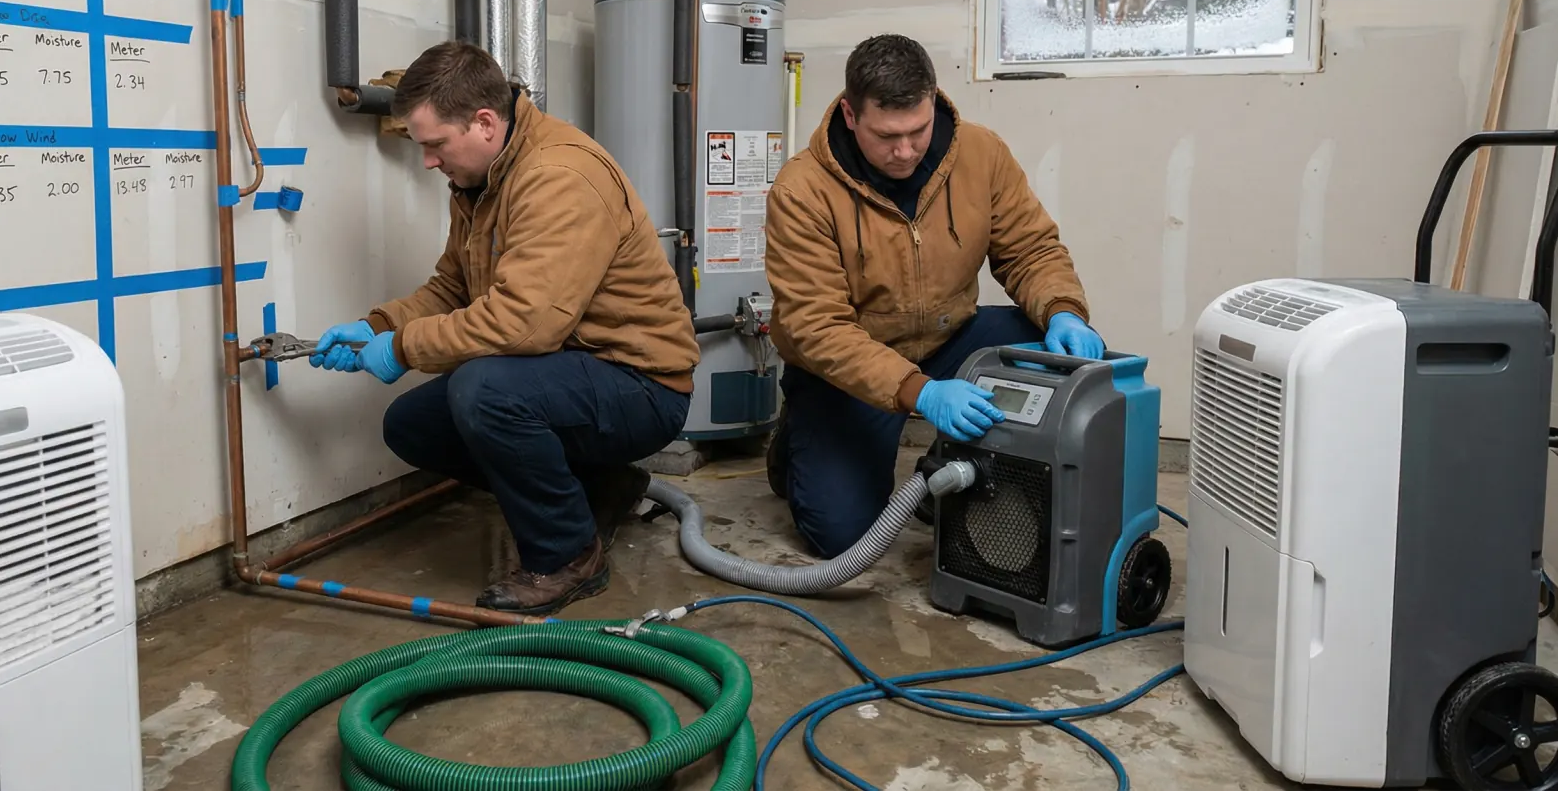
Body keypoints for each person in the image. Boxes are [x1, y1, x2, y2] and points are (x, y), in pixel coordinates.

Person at [310, 40, 700, 615]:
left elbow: (525, 325)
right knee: (412, 425)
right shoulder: (480, 181)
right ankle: (600, 491)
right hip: (571, 370)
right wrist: (378, 326)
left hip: (641, 384)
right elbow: (452, 288)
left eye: (436, 144)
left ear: (485, 122)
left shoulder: (559, 178)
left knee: (484, 391)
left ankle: (568, 557)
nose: (429, 162)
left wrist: (404, 347)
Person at [763, 34, 1103, 558]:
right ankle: (798, 439)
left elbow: (1030, 249)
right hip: (851, 365)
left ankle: (964, 466)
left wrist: (1064, 311)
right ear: (851, 116)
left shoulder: (982, 153)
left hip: (951, 337)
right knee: (842, 536)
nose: (904, 151)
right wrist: (916, 391)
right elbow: (818, 327)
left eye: (917, 131)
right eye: (886, 137)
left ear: (933, 100)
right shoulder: (801, 191)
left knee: (1054, 350)